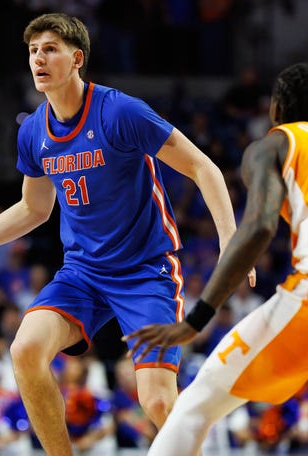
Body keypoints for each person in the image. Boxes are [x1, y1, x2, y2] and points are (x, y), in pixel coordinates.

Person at [0, 13, 250, 456]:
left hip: (145, 270)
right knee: (25, 349)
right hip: (83, 273)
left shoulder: (120, 112)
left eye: (49, 48)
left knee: (160, 402)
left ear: (77, 59)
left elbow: (202, 166)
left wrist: (230, 240)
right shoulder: (33, 131)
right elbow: (34, 209)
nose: (38, 58)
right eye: (33, 51)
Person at [123, 61, 308, 455]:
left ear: (278, 107)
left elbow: (258, 227)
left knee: (195, 404)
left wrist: (198, 318)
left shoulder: (276, 143)